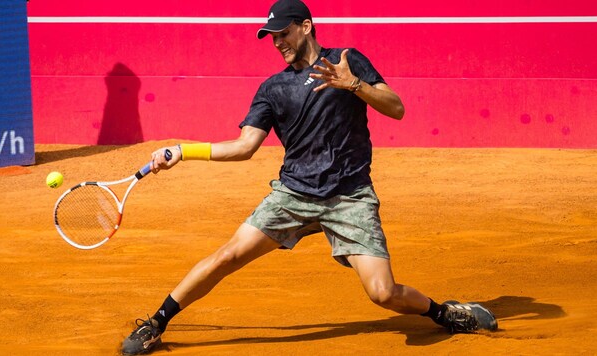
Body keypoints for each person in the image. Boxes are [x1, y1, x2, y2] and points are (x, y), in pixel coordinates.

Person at [121, 0, 497, 354]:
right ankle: (156, 322)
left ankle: (445, 313)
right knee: (228, 255)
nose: (277, 42)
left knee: (383, 293)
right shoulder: (272, 88)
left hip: (349, 196)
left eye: (283, 33)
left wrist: (352, 84)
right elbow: (244, 146)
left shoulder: (347, 61)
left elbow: (396, 108)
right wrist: (184, 150)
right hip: (294, 194)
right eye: (272, 37)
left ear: (306, 26)